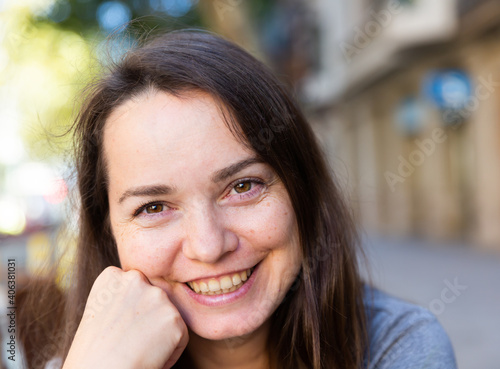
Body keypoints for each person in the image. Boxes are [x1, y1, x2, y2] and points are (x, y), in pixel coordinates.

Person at [20, 30, 457, 369]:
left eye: (243, 186)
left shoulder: (398, 346)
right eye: (153, 207)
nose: (209, 246)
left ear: (300, 188)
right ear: (109, 232)